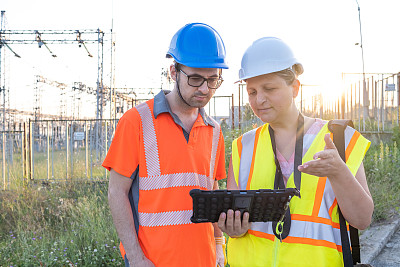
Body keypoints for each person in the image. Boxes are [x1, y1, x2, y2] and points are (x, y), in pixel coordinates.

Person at [217, 37, 374, 266]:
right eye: (251, 91)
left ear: (295, 88)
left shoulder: (339, 140)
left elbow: (362, 219)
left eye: (269, 88)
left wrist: (339, 172)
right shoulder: (243, 147)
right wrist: (232, 228)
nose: (259, 99)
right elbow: (236, 227)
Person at [103, 23, 228, 267]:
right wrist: (136, 258)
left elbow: (212, 190)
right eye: (195, 79)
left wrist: (218, 244)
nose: (204, 89)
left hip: (203, 260)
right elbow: (116, 193)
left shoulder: (214, 131)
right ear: (174, 72)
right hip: (153, 262)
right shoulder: (136, 121)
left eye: (213, 80)